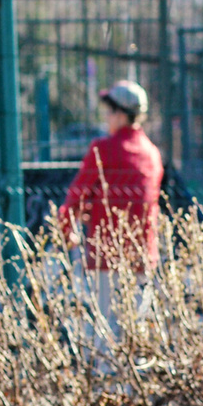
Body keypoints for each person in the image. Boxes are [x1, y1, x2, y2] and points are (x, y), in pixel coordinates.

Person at [54, 79, 165, 308]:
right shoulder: (152, 154)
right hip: (143, 257)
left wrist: (67, 232)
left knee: (104, 333)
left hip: (106, 258)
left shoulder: (103, 150)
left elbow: (75, 198)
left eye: (109, 112)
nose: (106, 118)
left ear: (121, 114)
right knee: (138, 329)